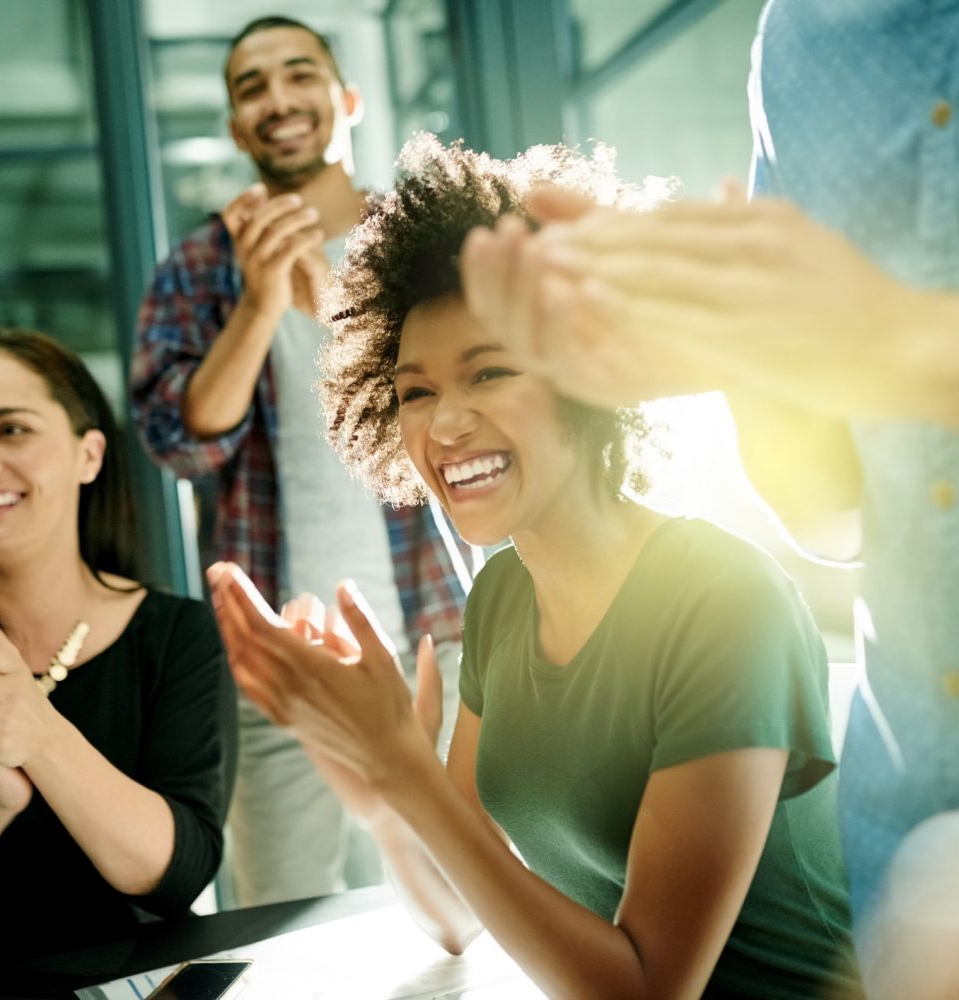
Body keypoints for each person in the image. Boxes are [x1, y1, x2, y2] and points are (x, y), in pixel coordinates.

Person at [207, 134, 863, 999]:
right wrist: (378, 791)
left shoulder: (724, 603)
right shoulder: (503, 598)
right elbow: (456, 914)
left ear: (584, 373)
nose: (444, 427)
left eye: (489, 372)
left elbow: (649, 988)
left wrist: (407, 765)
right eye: (415, 391)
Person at [457, 3, 959, 994]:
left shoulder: (713, 603)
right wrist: (722, 355)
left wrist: (893, 346)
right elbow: (835, 513)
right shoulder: (805, 41)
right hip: (911, 839)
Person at [129, 16, 470, 905]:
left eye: (298, 75)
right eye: (252, 88)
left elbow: (464, 408)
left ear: (345, 99)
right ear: (238, 128)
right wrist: (256, 301)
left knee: (466, 893)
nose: (278, 99)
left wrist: (325, 296)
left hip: (440, 633)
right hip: (279, 659)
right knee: (283, 910)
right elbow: (180, 440)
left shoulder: (418, 241)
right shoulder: (199, 267)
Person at [0, 326, 237, 972]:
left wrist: (41, 736)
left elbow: (177, 877)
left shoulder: (176, 636)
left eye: (12, 430)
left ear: (88, 455)